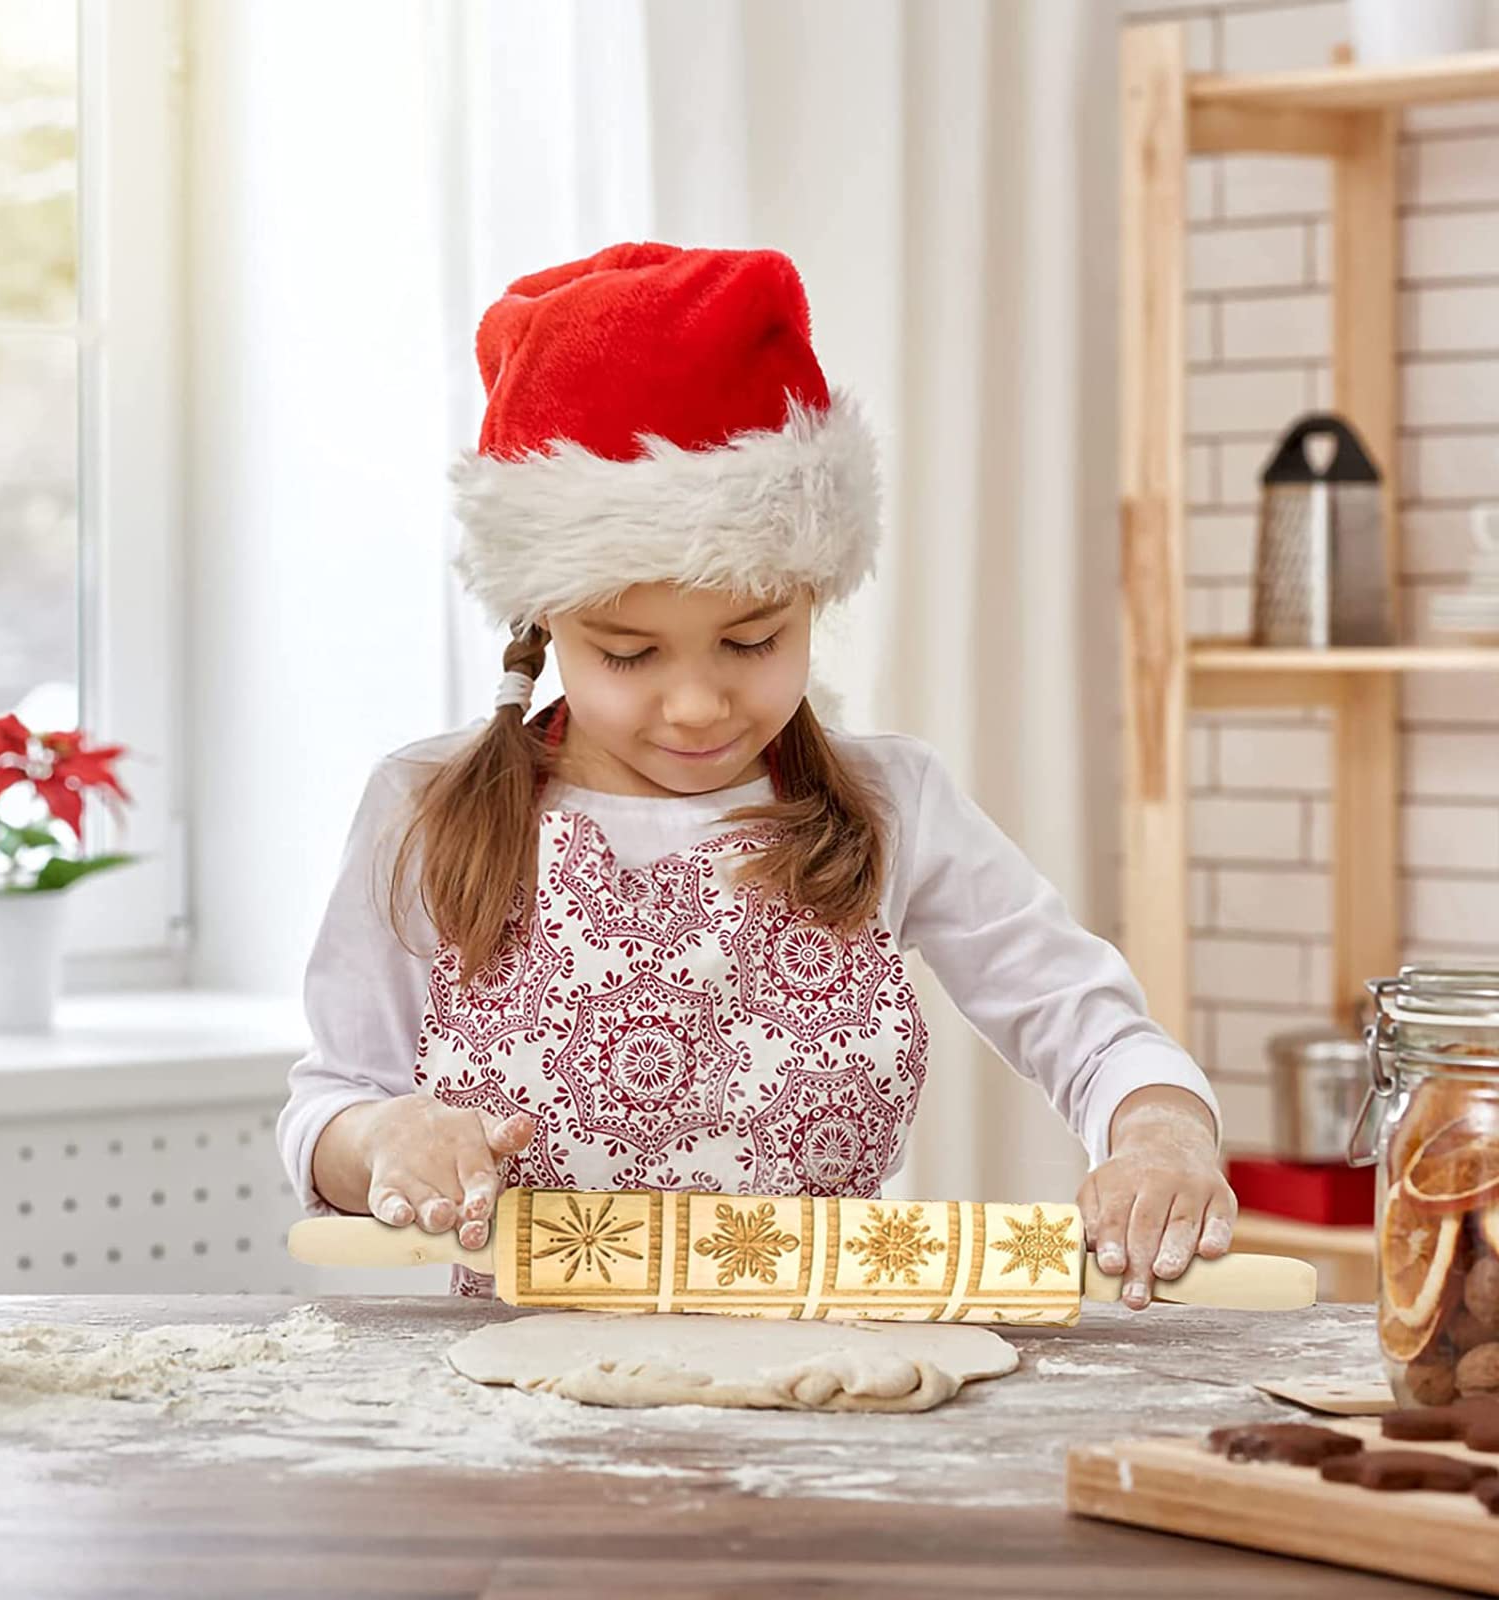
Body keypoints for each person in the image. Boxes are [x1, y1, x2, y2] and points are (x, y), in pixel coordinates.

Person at [276, 241, 1234, 1312]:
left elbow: (1087, 1022)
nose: (695, 704)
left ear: (812, 600)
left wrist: (1158, 1133)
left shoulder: (889, 804)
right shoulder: (426, 805)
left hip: (821, 1388)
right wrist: (386, 1138)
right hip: (504, 1406)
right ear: (544, 621)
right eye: (627, 653)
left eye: (750, 641)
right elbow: (331, 1110)